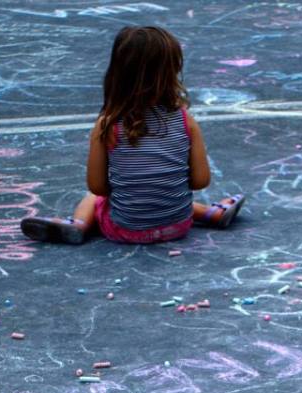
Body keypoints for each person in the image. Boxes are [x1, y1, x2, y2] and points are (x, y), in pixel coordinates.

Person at [20, 26, 244, 246]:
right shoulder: (185, 120)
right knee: (161, 193)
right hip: (177, 226)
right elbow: (200, 181)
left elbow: (98, 187)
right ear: (172, 72)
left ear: (117, 74)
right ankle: (211, 213)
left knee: (95, 199)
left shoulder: (108, 125)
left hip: (126, 230)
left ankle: (79, 224)